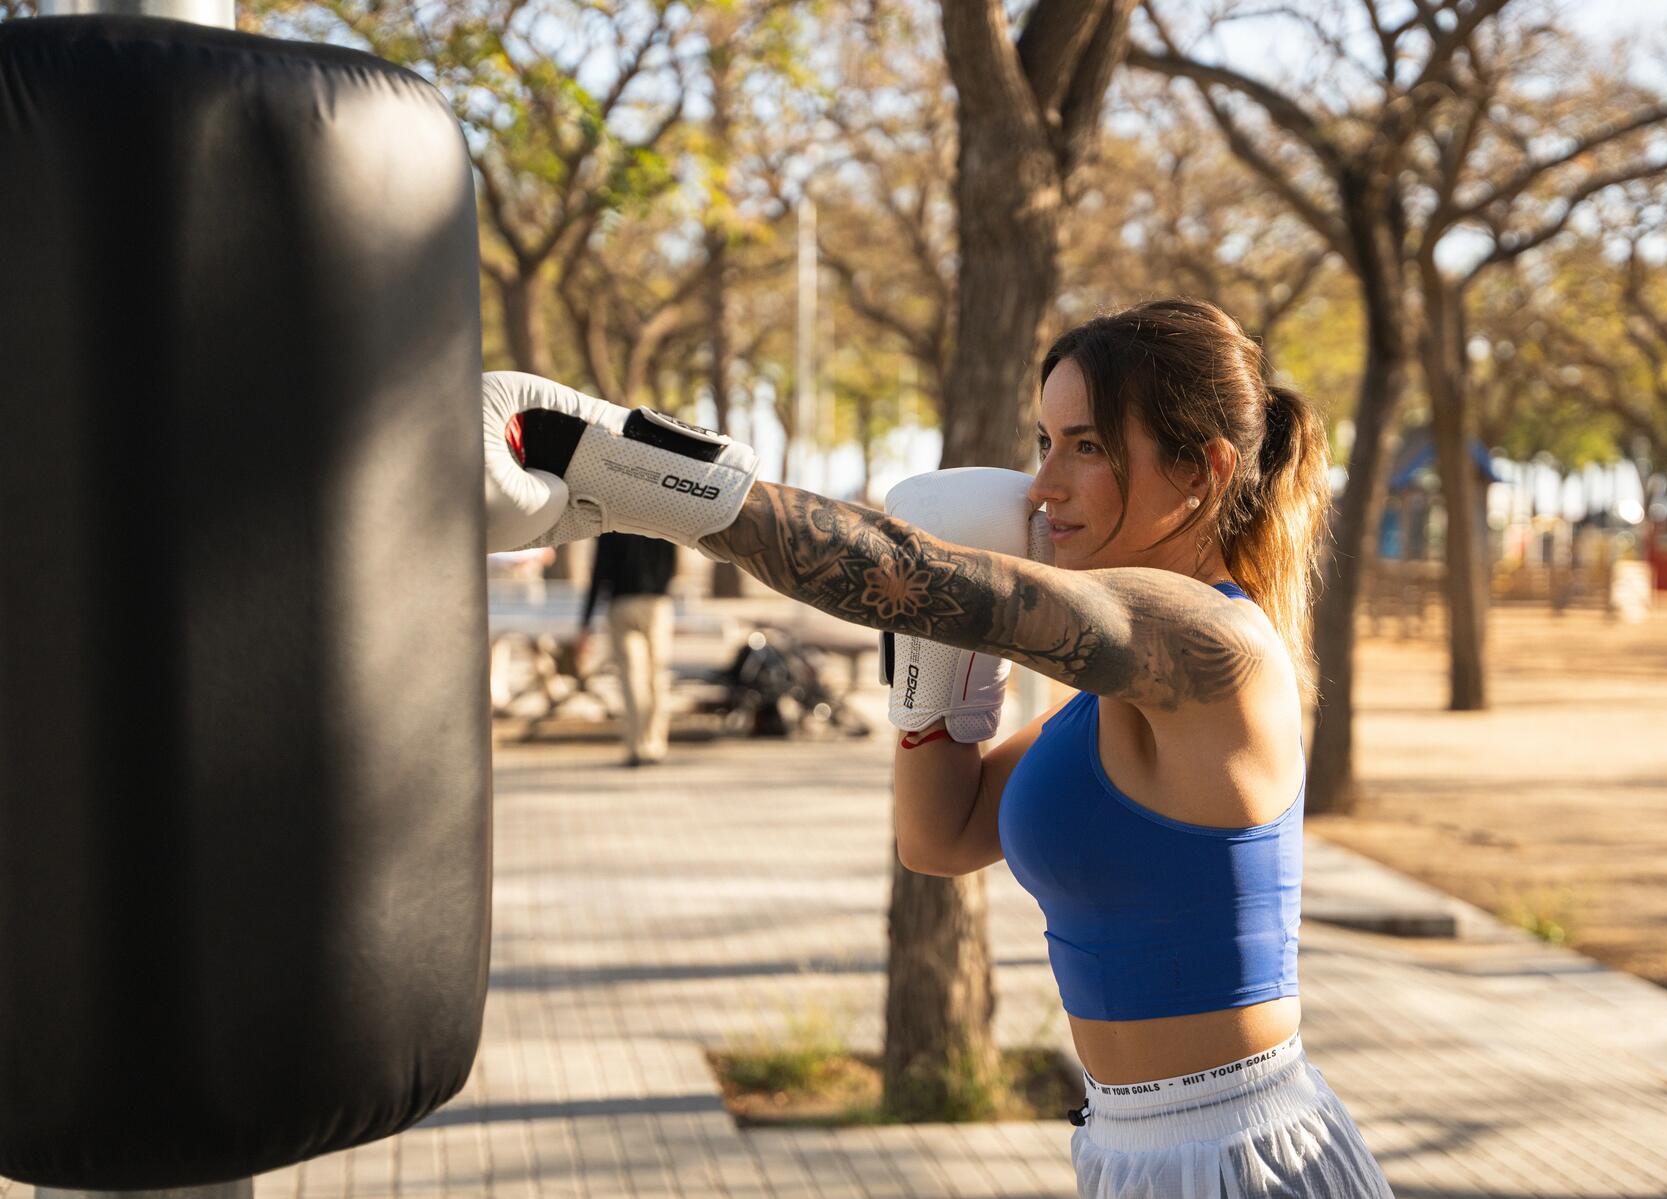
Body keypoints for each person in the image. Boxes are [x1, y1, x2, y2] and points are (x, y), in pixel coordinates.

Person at [483, 297, 1394, 1198]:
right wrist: (938, 669)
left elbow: (900, 576)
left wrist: (627, 468)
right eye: (1045, 443)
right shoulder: (1110, 693)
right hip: (1124, 1148)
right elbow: (941, 837)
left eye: (1087, 445)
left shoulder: (1213, 650)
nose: (1044, 484)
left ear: (1201, 470)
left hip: (1241, 1152)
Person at [577, 532, 677, 766]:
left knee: (632, 677)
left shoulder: (611, 526)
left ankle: (636, 745)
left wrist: (586, 622)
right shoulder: (663, 520)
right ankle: (656, 743)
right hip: (657, 603)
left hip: (622, 602)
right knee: (658, 676)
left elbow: (599, 573)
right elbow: (672, 564)